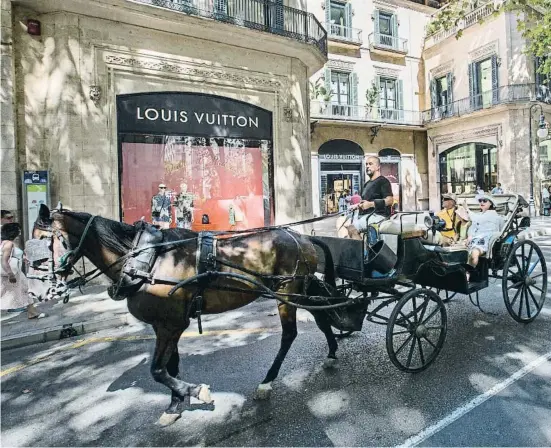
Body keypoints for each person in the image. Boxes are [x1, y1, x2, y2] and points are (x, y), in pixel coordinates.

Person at [1, 223, 45, 319]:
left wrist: (24, 258)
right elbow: (4, 261)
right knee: (5, 295)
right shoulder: (8, 244)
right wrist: (10, 274)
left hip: (17, 274)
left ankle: (32, 313)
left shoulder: (7, 242)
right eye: (18, 230)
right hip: (11, 274)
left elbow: (14, 255)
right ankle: (32, 313)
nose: (20, 232)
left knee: (26, 291)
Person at [344, 156, 393, 240]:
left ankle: (362, 252)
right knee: (344, 226)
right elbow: (365, 202)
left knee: (352, 229)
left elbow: (390, 200)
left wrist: (370, 204)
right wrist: (357, 205)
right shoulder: (367, 184)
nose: (367, 166)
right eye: (366, 164)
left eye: (370, 164)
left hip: (379, 215)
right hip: (365, 215)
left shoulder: (383, 181)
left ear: (378, 167)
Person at [463, 194, 504, 280]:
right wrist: (469, 236)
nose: (482, 202)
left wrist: (467, 209)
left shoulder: (493, 214)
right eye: (480, 201)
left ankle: (468, 274)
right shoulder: (479, 215)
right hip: (474, 240)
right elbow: (472, 227)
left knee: (474, 253)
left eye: (485, 201)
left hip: (485, 241)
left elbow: (477, 219)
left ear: (491, 204)